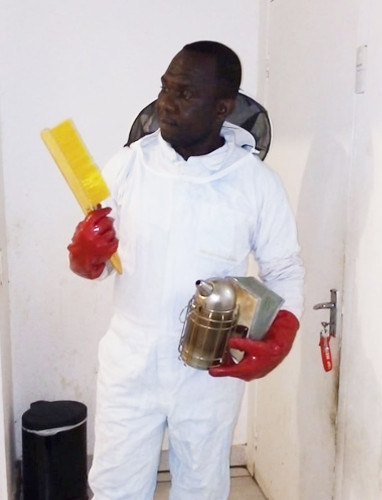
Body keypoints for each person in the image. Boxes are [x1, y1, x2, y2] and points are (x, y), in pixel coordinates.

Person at [67, 41, 304, 500]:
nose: (167, 103)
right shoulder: (127, 166)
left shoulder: (255, 182)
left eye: (185, 93)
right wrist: (85, 256)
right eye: (165, 88)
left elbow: (284, 269)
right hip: (130, 360)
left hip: (208, 366)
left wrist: (283, 332)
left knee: (201, 487)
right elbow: (98, 264)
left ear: (222, 107)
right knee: (114, 487)